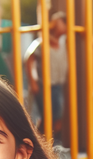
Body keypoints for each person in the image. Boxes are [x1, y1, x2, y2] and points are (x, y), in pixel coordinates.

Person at [25, 11, 68, 141]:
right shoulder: (42, 42)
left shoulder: (64, 42)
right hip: (45, 85)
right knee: (47, 116)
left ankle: (46, 143)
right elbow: (29, 60)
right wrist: (33, 81)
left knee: (58, 117)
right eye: (63, 22)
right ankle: (40, 143)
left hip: (57, 84)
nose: (67, 25)